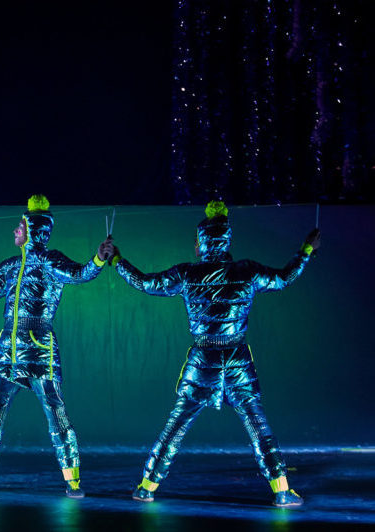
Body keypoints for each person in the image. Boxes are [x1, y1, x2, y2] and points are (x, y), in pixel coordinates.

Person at [112, 200, 320, 507]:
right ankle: (282, 490)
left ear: (201, 244)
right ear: (225, 241)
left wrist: (117, 261)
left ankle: (146, 487)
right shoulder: (247, 271)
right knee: (258, 428)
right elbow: (284, 278)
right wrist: (306, 250)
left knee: (176, 426)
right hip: (237, 361)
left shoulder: (188, 273)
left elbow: (146, 283)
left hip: (204, 360)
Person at [0, 195, 114, 498]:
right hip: (8, 349)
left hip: (40, 349)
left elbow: (80, 274)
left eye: (19, 227)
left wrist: (98, 258)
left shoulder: (51, 261)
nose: (14, 231)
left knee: (56, 413)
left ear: (34, 231)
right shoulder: (10, 265)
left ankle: (73, 480)